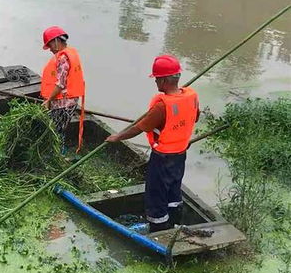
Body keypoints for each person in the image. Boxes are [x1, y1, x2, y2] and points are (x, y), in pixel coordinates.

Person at [106, 55, 199, 232]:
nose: (155, 82)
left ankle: (159, 231)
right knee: (174, 190)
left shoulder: (161, 107)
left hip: (162, 158)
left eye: (156, 79)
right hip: (180, 154)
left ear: (164, 81)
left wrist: (117, 137)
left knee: (156, 195)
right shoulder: (191, 97)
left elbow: (139, 128)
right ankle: (174, 224)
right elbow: (195, 116)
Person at [40, 26, 85, 154]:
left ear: (56, 42)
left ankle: (58, 154)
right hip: (69, 100)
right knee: (60, 129)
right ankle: (60, 151)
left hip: (63, 103)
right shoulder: (71, 52)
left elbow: (60, 84)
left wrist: (49, 100)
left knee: (56, 130)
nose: (50, 50)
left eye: (50, 46)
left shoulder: (63, 58)